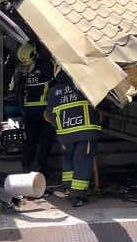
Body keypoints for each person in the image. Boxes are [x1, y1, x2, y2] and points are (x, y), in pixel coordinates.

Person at [45, 64, 101, 207]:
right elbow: (99, 102)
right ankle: (78, 196)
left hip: (64, 135)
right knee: (82, 162)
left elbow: (49, 114)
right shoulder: (85, 86)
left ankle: (68, 189)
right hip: (85, 132)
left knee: (68, 159)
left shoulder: (53, 91)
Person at [15, 43, 56, 174]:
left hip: (29, 110)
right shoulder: (48, 65)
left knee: (31, 139)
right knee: (46, 139)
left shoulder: (23, 69)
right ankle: (40, 168)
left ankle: (27, 165)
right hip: (45, 110)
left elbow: (18, 88)